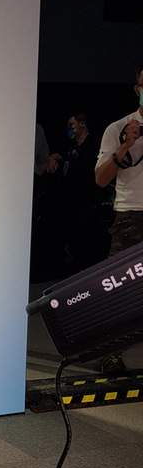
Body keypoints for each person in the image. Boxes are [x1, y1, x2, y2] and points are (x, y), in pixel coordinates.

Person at [94, 65, 143, 373]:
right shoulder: (118, 128)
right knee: (120, 288)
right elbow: (100, 179)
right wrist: (126, 145)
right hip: (130, 214)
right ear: (137, 89)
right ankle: (111, 354)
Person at [46, 112, 113, 272]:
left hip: (92, 200)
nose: (69, 129)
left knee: (90, 237)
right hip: (73, 200)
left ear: (82, 124)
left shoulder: (96, 143)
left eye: (72, 125)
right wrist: (52, 158)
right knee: (75, 235)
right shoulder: (70, 145)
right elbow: (60, 156)